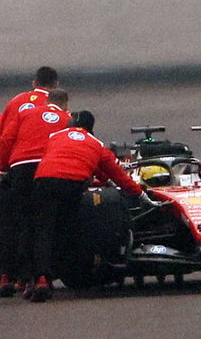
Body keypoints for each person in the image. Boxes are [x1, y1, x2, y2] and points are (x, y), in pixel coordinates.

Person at [26, 110, 143, 302]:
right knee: (66, 230)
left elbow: (50, 159)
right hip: (72, 185)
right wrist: (140, 193)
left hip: (45, 181)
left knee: (42, 231)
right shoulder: (95, 144)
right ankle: (69, 269)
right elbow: (116, 175)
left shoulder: (54, 136)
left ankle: (39, 279)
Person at [0, 86, 70, 297]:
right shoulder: (66, 118)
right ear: (65, 104)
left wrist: (3, 169)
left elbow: (6, 140)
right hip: (48, 168)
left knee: (24, 223)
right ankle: (43, 278)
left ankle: (21, 277)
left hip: (21, 168)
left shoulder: (25, 113)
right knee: (45, 225)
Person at [0, 65, 57, 151]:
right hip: (45, 156)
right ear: (56, 84)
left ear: (34, 83)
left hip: (16, 158)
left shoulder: (16, 100)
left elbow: (3, 136)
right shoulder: (55, 103)